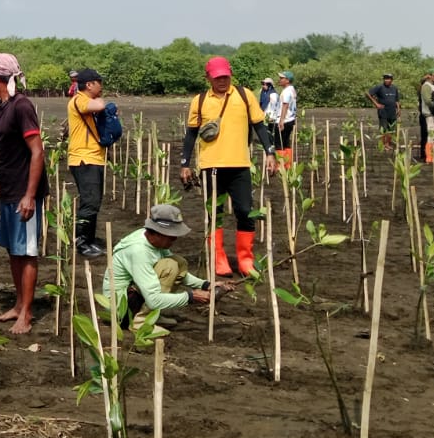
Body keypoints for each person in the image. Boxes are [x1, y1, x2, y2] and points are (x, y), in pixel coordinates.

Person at [181, 57, 277, 277]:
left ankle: (245, 260)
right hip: (210, 167)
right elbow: (191, 134)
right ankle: (218, 259)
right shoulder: (200, 100)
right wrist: (185, 163)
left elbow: (260, 127)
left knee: (245, 211)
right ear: (208, 78)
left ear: (230, 74)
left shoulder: (244, 96)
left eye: (225, 76)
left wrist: (270, 152)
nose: (222, 81)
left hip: (240, 165)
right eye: (217, 77)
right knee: (215, 213)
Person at [0, 52, 47, 333]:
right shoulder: (0, 106)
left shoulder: (22, 106)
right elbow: (7, 153)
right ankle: (18, 306)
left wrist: (30, 196)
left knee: (27, 251)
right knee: (13, 250)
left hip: (25, 191)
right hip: (9, 189)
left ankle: (28, 313)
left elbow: (37, 152)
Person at [105, 203, 229, 328]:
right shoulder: (138, 251)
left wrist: (206, 285)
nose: (175, 239)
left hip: (133, 298)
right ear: (158, 233)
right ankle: (141, 325)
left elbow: (180, 273)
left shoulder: (151, 239)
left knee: (178, 263)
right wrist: (191, 297)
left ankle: (152, 316)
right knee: (169, 266)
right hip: (120, 310)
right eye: (172, 237)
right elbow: (153, 300)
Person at [65, 67, 109, 260]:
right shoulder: (79, 99)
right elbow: (99, 106)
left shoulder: (84, 100)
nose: (101, 86)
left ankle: (89, 239)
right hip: (84, 159)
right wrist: (102, 101)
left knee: (94, 201)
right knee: (89, 202)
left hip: (93, 158)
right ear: (89, 84)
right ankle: (82, 242)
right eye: (99, 83)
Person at [366, 73, 400, 151]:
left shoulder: (394, 88)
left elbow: (397, 99)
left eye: (388, 79)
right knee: (384, 128)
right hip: (383, 111)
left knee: (391, 128)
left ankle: (388, 144)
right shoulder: (379, 87)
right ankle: (383, 144)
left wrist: (398, 109)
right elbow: (368, 94)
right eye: (385, 79)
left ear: (392, 80)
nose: (387, 80)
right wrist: (376, 104)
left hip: (392, 111)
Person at [275, 71, 299, 166]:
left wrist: (281, 121)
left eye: (282, 78)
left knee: (279, 143)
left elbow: (285, 105)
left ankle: (280, 165)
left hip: (285, 120)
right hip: (291, 119)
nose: (280, 80)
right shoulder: (292, 90)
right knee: (286, 142)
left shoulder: (287, 91)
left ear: (287, 80)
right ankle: (287, 165)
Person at [418, 72, 434, 161]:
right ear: (429, 76)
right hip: (429, 114)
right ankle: (429, 157)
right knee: (431, 136)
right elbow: (428, 101)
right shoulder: (426, 86)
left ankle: (432, 156)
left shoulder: (433, 86)